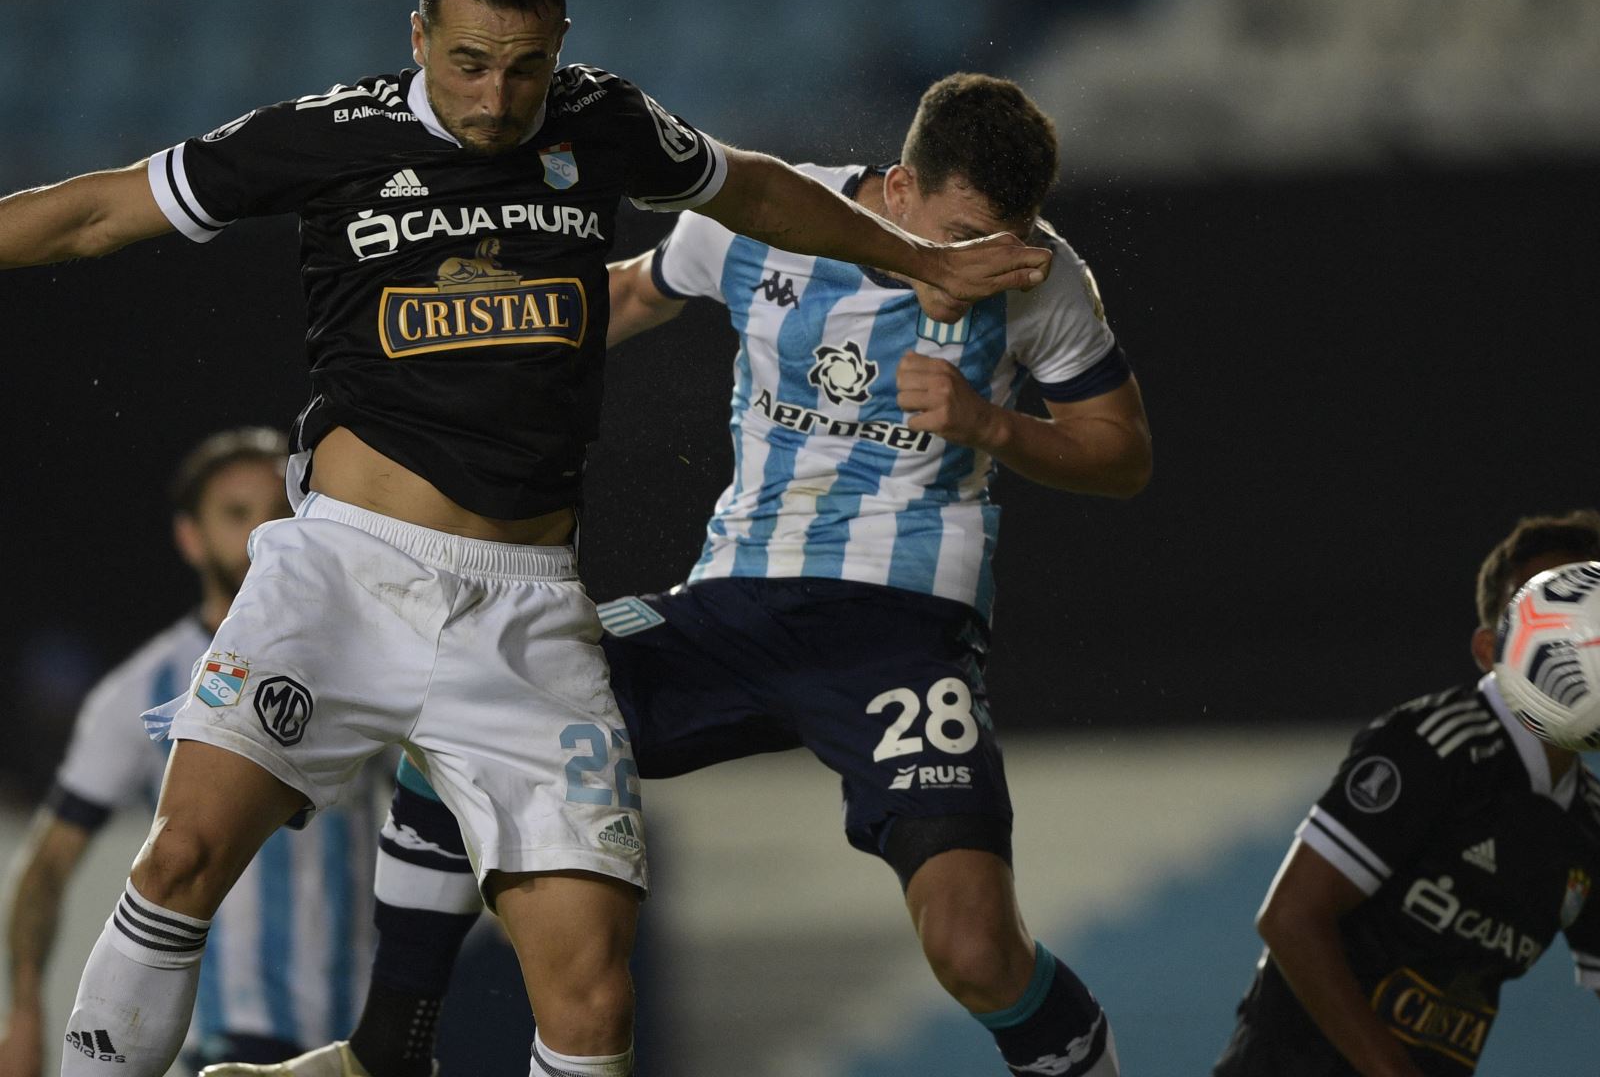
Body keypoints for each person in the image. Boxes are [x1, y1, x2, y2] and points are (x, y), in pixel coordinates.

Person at [0, 0, 1051, 1077]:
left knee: (594, 1001)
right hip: (345, 572)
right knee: (186, 854)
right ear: (419, 37)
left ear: (560, 48)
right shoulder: (329, 137)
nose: (496, 95)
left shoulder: (600, 121)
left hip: (527, 611)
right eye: (466, 62)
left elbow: (749, 187)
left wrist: (919, 256)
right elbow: (100, 210)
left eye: (524, 66)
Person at [203, 73, 1148, 1077]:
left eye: (998, 243)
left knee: (974, 951)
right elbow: (621, 295)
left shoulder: (1041, 276)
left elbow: (1121, 452)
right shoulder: (768, 215)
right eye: (959, 240)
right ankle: (387, 1054)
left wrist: (991, 424)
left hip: (901, 635)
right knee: (464, 697)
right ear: (904, 188)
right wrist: (437, 358)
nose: (975, 269)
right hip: (733, 606)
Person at [1211, 510, 1600, 1076]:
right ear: (1489, 652)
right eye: (1543, 606)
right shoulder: (1433, 749)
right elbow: (1290, 917)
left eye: (1591, 603)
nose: (1578, 637)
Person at [0, 428, 386, 1075]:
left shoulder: (363, 660)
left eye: (278, 511)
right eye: (236, 514)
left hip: (358, 1035)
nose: (261, 532)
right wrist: (26, 1010)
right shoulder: (142, 690)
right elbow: (48, 862)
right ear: (189, 537)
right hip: (221, 1036)